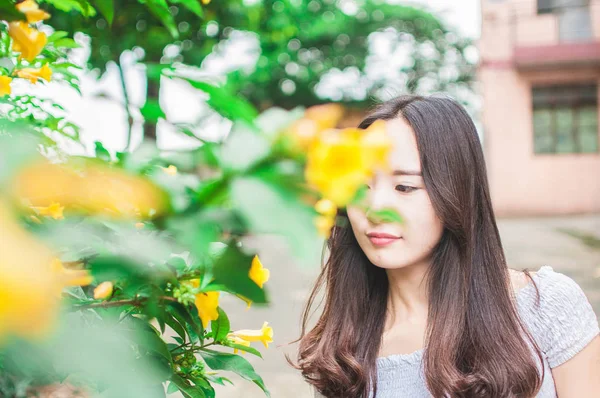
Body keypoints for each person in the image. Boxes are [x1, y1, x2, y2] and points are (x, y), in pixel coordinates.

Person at [290, 95, 600, 397]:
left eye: (405, 187)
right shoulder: (346, 354)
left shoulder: (544, 306)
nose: (374, 208)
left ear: (455, 192)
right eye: (360, 186)